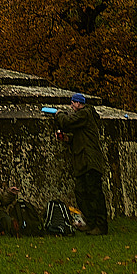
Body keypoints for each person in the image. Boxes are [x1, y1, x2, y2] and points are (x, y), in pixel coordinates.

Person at [55, 92, 109, 235]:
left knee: (94, 194)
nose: (71, 107)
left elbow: (67, 122)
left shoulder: (85, 114)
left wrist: (59, 114)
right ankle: (91, 222)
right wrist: (66, 138)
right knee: (81, 192)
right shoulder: (83, 118)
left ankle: (100, 225)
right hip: (83, 162)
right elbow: (80, 138)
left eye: (72, 103)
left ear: (78, 103)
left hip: (90, 161)